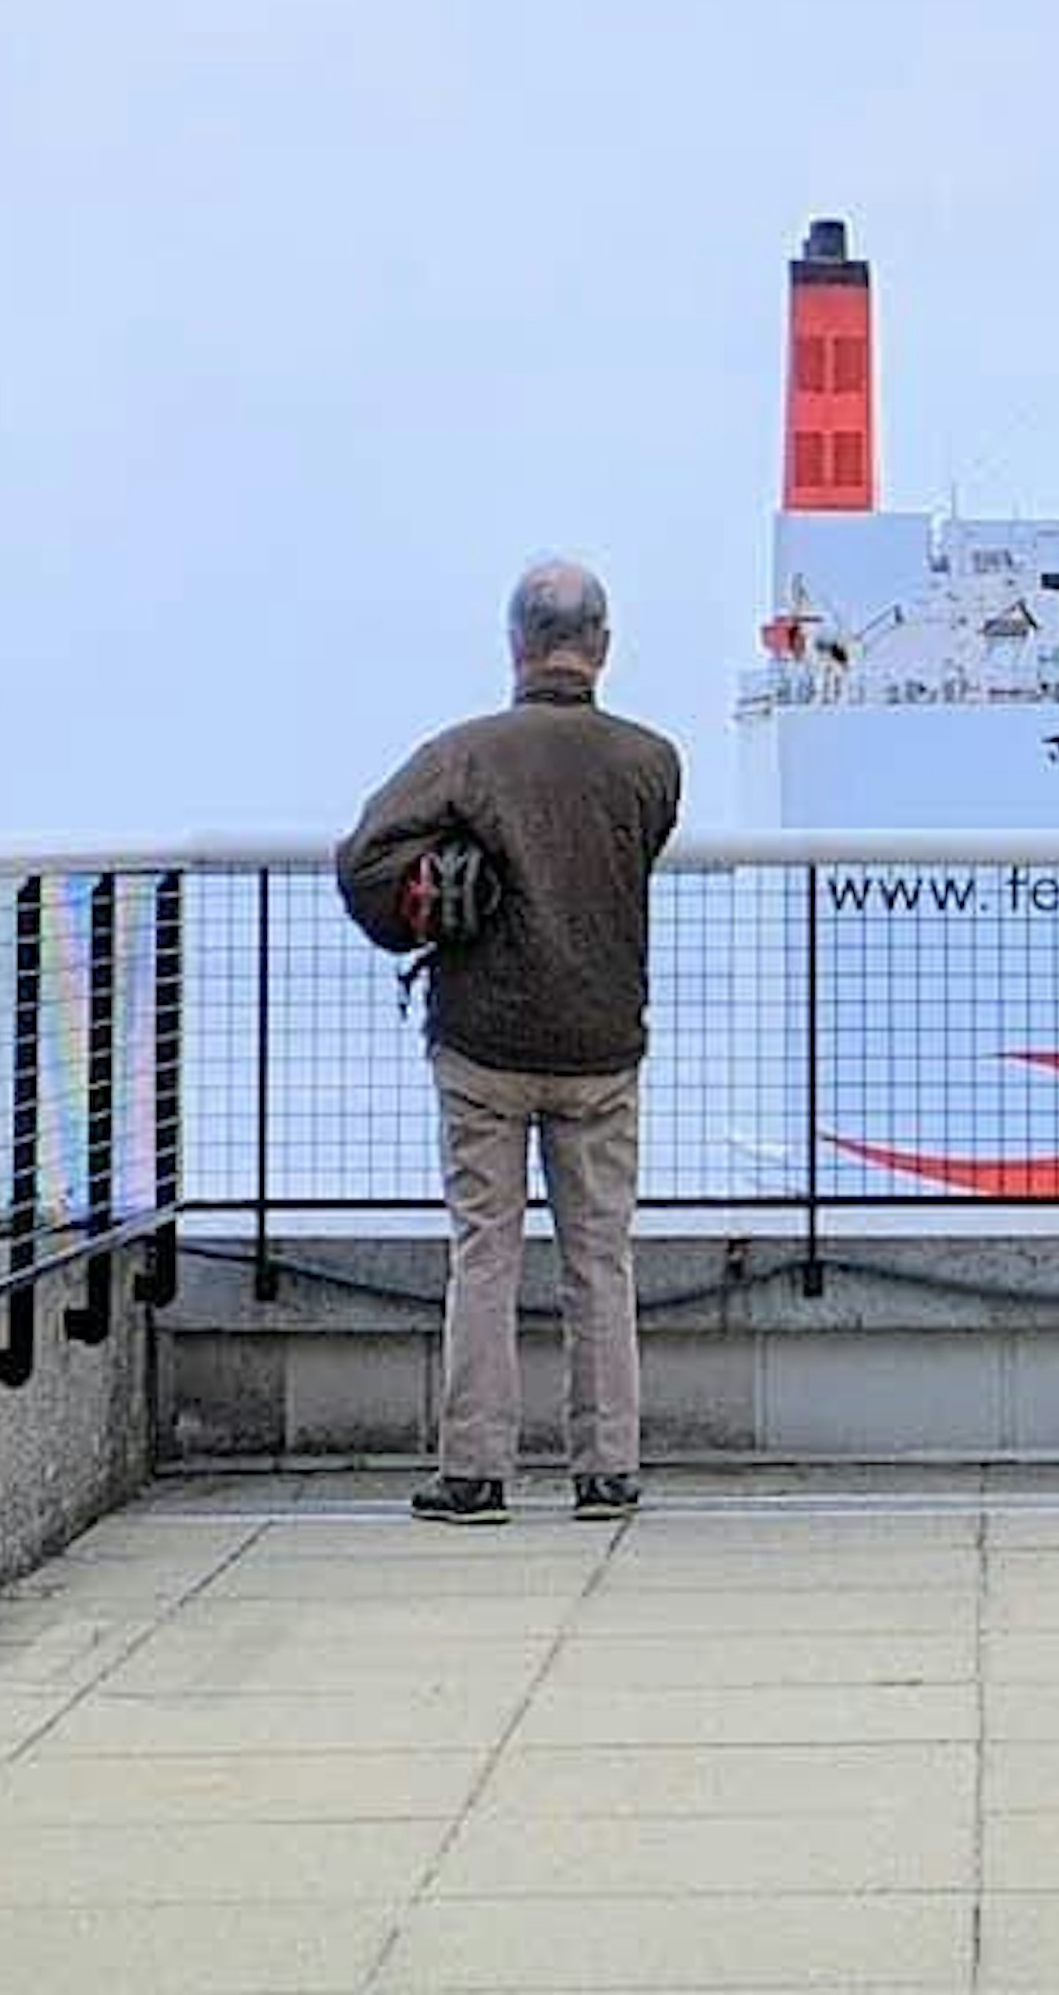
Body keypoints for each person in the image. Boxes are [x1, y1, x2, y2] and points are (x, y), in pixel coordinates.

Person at [337, 556, 683, 1525]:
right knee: (601, 1258)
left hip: (483, 1043)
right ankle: (607, 1467)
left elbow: (361, 858)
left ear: (514, 645)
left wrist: (430, 895)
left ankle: (476, 1472)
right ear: (603, 647)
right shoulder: (652, 762)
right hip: (604, 1046)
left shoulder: (465, 757)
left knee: (483, 1255)